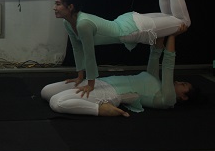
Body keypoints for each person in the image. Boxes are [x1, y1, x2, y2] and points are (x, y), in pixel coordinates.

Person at [54, 0, 191, 96]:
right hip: (128, 21)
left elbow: (89, 55)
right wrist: (79, 76)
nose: (54, 8)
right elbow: (77, 49)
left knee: (184, 22)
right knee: (170, 17)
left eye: (58, 4)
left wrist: (90, 84)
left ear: (70, 7)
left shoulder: (83, 24)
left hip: (133, 30)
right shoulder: (68, 22)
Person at [41, 24, 199, 117]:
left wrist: (174, 35)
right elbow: (155, 52)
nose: (178, 81)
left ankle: (101, 109)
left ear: (183, 97)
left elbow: (168, 63)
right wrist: (167, 27)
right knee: (46, 92)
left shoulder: (168, 99)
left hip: (110, 94)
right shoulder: (154, 79)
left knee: (57, 102)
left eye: (183, 85)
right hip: (101, 83)